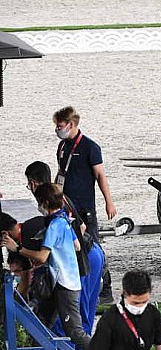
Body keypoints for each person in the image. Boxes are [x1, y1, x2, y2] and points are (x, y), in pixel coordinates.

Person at [1, 183, 91, 348]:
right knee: (41, 324)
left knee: (75, 333)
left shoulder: (54, 226)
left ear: (45, 203)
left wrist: (18, 248)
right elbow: (77, 245)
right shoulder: (64, 220)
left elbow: (42, 257)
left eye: (39, 202)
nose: (38, 206)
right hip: (59, 282)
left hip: (66, 285)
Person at [26, 161, 105, 335]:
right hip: (93, 251)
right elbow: (82, 227)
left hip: (83, 259)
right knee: (84, 318)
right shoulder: (60, 196)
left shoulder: (51, 204)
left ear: (33, 183)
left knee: (71, 323)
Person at [52, 106, 114, 303]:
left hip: (85, 208)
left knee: (92, 245)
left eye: (60, 126)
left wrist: (109, 202)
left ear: (71, 124)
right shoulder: (62, 147)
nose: (57, 130)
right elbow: (61, 173)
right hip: (66, 205)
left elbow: (101, 176)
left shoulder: (90, 147)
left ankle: (106, 287)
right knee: (72, 246)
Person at [89, 270, 161, 350]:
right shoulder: (110, 318)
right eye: (135, 303)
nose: (140, 306)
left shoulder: (152, 312)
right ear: (124, 294)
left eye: (144, 301)